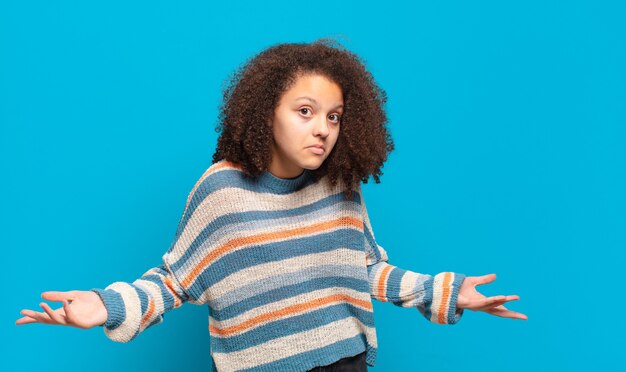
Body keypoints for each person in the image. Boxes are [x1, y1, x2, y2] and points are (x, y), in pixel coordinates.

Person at [16, 38, 527, 371]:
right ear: (267, 113)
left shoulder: (341, 186)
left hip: (346, 361)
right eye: (305, 111)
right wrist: (104, 306)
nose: (323, 128)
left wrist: (449, 293)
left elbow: (367, 270)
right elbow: (175, 281)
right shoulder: (221, 192)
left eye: (334, 116)